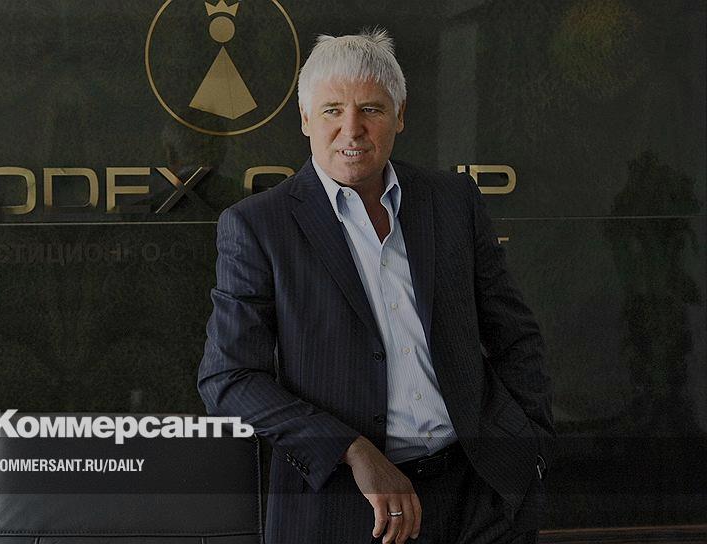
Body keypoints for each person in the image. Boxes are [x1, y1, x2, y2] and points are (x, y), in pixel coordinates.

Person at [198, 29, 554, 544]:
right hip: (347, 507)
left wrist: (531, 447)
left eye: (371, 109)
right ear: (305, 118)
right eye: (332, 110)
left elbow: (514, 334)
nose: (353, 129)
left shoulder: (452, 200)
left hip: (480, 496)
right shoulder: (259, 226)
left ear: (400, 115)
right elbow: (229, 378)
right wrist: (352, 449)